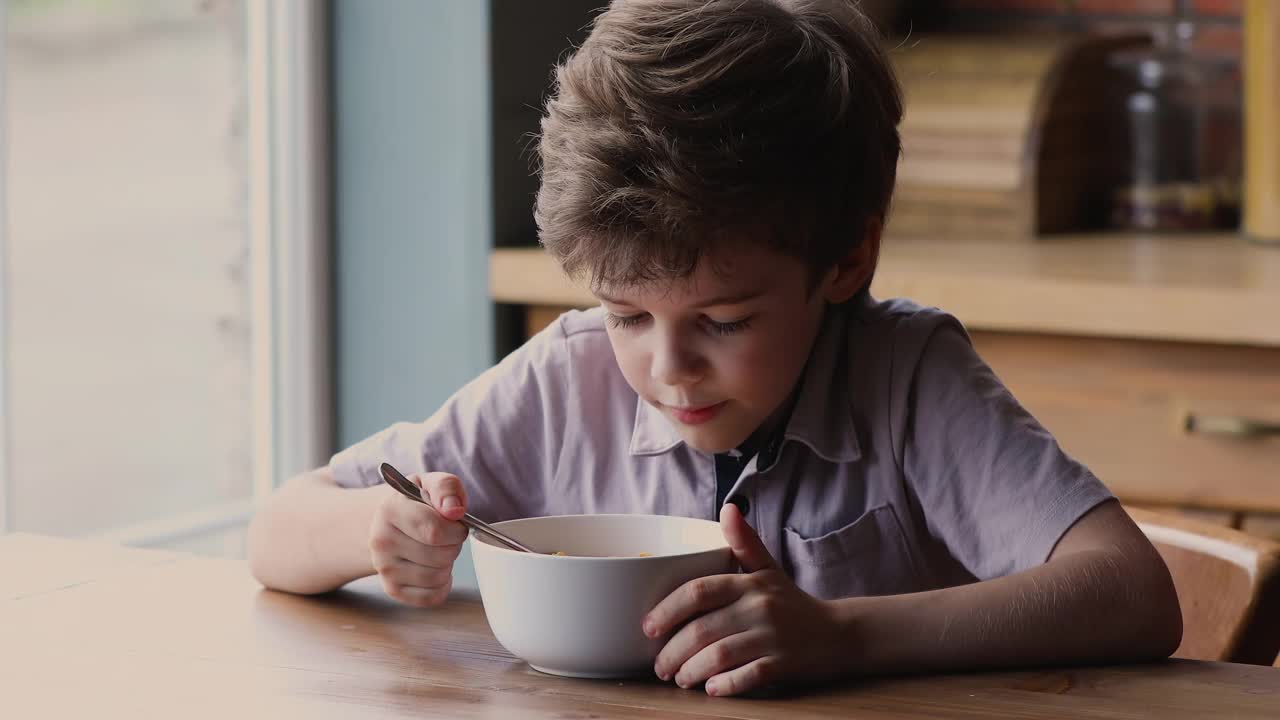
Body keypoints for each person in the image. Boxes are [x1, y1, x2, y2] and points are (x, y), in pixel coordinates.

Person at [248, 0, 1181, 697]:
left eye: (725, 321)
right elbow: (278, 530)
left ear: (848, 257)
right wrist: (372, 533)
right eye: (626, 315)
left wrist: (845, 638)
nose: (667, 368)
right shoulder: (563, 382)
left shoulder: (905, 380)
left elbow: (1132, 593)